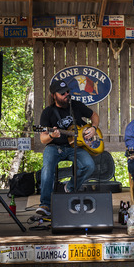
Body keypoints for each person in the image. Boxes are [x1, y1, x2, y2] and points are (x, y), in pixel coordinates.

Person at [36, 80, 99, 216]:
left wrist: (93, 128)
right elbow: (43, 139)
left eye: (67, 92)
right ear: (54, 95)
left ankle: (70, 188)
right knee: (47, 169)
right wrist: (52, 136)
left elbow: (94, 115)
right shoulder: (48, 112)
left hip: (75, 146)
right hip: (55, 147)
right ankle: (45, 204)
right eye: (62, 93)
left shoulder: (75, 105)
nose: (66, 95)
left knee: (89, 165)